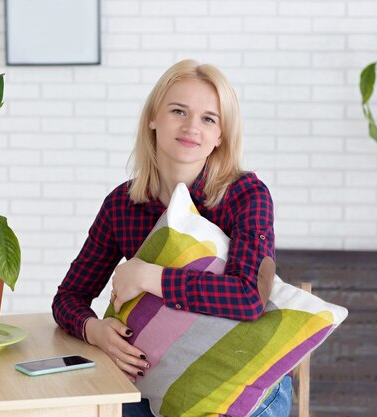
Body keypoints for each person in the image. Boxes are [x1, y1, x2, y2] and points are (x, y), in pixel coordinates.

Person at [52, 59, 290, 417]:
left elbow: (250, 296)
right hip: (155, 381)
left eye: (209, 119)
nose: (192, 127)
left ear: (220, 135)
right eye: (179, 111)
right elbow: (68, 297)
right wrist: (95, 330)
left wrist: (148, 275)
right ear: (153, 117)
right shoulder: (123, 205)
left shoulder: (246, 195)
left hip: (241, 384)